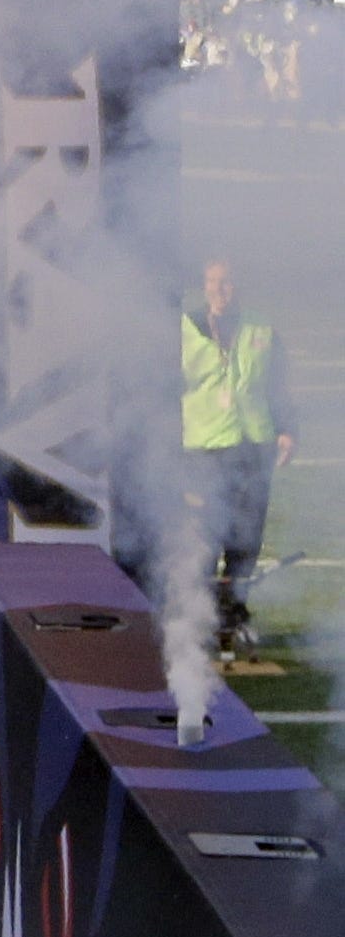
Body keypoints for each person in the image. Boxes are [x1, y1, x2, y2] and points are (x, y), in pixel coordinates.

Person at [184, 260, 298, 649]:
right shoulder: (184, 329)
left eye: (227, 282)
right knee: (204, 537)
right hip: (203, 449)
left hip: (254, 447)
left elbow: (279, 384)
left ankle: (233, 616)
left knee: (245, 540)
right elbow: (163, 392)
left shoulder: (262, 329)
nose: (219, 289)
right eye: (212, 281)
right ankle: (197, 617)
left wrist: (286, 430)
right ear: (203, 285)